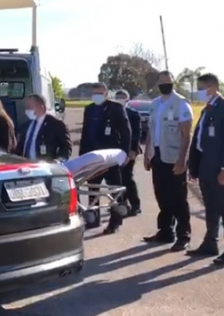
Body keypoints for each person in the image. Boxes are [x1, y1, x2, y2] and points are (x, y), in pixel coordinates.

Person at [143, 71, 193, 252]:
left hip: (174, 158)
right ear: (157, 84)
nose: (165, 84)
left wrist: (182, 160)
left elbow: (187, 135)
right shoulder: (155, 104)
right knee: (161, 195)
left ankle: (183, 235)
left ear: (173, 83)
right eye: (162, 82)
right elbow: (151, 130)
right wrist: (147, 154)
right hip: (157, 156)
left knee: (179, 198)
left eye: (168, 81)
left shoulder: (180, 104)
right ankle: (165, 231)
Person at [79, 82, 131, 234]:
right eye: (94, 93)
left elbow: (125, 131)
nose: (97, 96)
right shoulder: (89, 109)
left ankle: (115, 221)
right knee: (92, 189)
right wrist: (83, 155)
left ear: (106, 93)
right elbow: (85, 133)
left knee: (114, 190)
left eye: (100, 93)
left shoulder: (115, 108)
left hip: (110, 157)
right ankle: (93, 219)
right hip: (92, 157)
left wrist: (125, 152)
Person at [187, 73, 224, 260]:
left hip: (218, 169)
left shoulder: (222, 108)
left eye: (202, 88)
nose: (200, 92)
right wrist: (193, 166)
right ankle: (210, 243)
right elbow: (199, 139)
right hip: (205, 167)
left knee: (222, 207)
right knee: (210, 206)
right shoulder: (207, 109)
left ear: (213, 87)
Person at [16, 94, 71, 161]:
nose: (27, 110)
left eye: (30, 107)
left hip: (44, 167)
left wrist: (58, 161)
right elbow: (19, 147)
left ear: (41, 107)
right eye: (27, 107)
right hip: (25, 167)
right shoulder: (26, 125)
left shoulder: (55, 125)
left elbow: (66, 148)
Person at [113, 90, 142, 216]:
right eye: (118, 97)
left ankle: (135, 204)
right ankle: (121, 203)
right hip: (115, 152)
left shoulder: (133, 114)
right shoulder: (112, 113)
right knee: (115, 179)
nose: (120, 99)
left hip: (129, 151)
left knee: (127, 178)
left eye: (123, 97)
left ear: (128, 100)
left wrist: (133, 150)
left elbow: (137, 133)